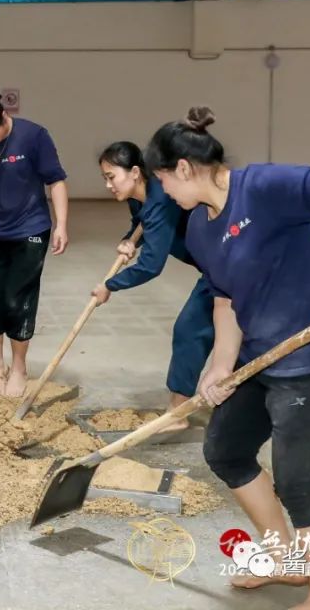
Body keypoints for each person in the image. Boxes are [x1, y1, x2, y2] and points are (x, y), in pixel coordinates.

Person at [145, 106, 310, 610]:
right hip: (257, 358)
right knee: (226, 451)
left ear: (182, 168)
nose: (162, 191)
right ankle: (286, 560)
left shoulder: (262, 188)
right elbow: (225, 298)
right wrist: (221, 364)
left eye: (161, 179)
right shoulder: (200, 227)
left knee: (299, 485)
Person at [92, 141, 215, 431]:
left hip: (224, 264)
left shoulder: (161, 197)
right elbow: (142, 224)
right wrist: (129, 240)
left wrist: (110, 285)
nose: (108, 185)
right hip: (212, 266)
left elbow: (151, 265)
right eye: (105, 178)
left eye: (111, 177)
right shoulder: (138, 197)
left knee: (191, 328)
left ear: (135, 172)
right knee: (205, 329)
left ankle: (178, 412)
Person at [0, 91, 69, 396]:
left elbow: (55, 180)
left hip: (31, 228)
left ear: (5, 117)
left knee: (18, 299)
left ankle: (19, 367)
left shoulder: (34, 136)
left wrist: (61, 224)